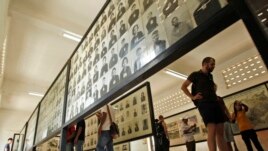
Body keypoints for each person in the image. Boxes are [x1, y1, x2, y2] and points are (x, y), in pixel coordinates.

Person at [181, 57, 227, 151]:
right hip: (205, 104)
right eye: (212, 64)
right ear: (205, 64)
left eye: (214, 64)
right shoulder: (195, 74)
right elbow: (183, 86)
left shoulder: (210, 76)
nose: (213, 66)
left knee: (220, 131)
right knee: (212, 130)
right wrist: (193, 97)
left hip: (215, 103)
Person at [215, 84, 238, 151]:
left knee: (231, 139)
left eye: (214, 87)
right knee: (225, 140)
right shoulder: (210, 99)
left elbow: (225, 108)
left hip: (226, 120)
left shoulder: (220, 98)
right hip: (219, 122)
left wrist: (230, 117)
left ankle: (235, 148)